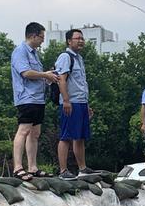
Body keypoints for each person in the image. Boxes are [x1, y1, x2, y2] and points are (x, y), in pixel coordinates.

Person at [10, 22, 58, 181]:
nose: (42, 41)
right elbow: (26, 73)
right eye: (41, 37)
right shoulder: (20, 51)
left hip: (38, 98)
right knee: (23, 130)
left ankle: (32, 167)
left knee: (35, 133)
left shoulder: (35, 54)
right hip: (26, 97)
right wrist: (45, 75)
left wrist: (48, 78)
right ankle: (17, 167)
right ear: (33, 35)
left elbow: (37, 75)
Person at [56, 29, 95, 179]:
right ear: (69, 41)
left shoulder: (79, 58)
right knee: (66, 136)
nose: (81, 41)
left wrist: (86, 105)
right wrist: (66, 100)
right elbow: (61, 79)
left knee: (80, 137)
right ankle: (63, 170)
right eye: (77, 38)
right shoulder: (65, 57)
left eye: (82, 38)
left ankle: (82, 168)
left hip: (81, 102)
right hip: (70, 102)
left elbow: (80, 83)